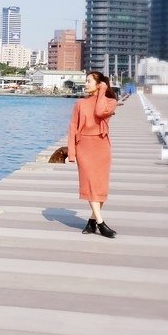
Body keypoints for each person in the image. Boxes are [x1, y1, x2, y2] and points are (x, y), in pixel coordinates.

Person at [66, 71, 118, 238]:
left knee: (100, 186)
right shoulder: (80, 103)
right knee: (90, 184)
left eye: (89, 81)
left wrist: (102, 92)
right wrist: (71, 152)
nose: (85, 84)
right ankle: (101, 223)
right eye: (86, 81)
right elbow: (73, 127)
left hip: (102, 146)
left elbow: (99, 112)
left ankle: (92, 221)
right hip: (84, 147)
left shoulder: (110, 102)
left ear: (99, 84)